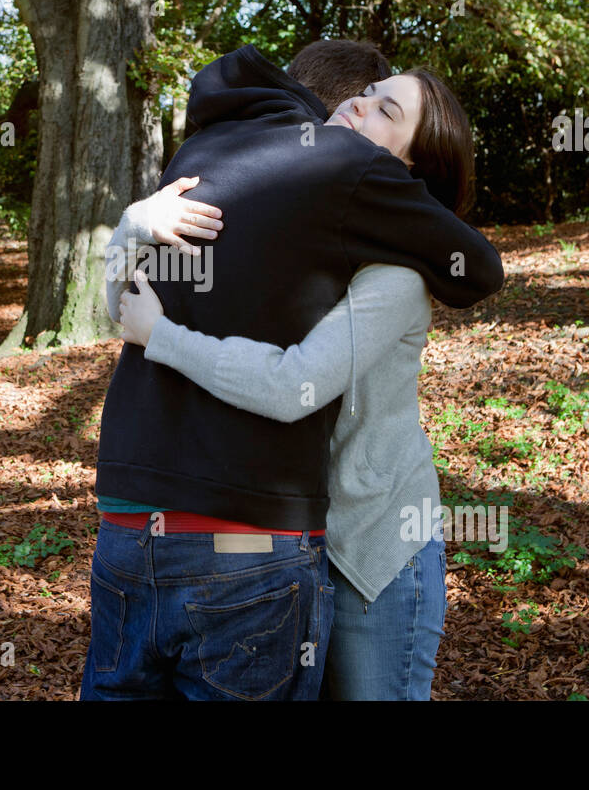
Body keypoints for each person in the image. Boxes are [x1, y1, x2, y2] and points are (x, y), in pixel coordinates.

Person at [83, 43, 503, 701]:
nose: (356, 106)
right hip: (285, 536)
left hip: (371, 545)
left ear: (410, 166)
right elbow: (132, 299)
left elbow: (288, 383)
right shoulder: (306, 216)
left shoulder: (398, 273)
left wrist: (164, 337)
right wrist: (134, 225)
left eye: (384, 108)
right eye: (361, 95)